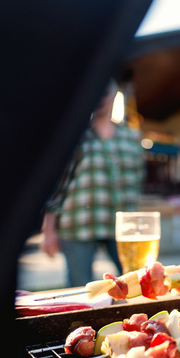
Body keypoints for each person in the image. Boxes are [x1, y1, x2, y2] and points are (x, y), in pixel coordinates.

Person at [41, 80, 144, 287]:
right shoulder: (74, 136)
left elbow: (136, 184)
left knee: (137, 284)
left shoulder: (131, 137)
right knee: (80, 289)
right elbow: (57, 186)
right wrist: (48, 231)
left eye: (104, 92)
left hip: (123, 227)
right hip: (77, 223)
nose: (99, 98)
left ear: (115, 94)